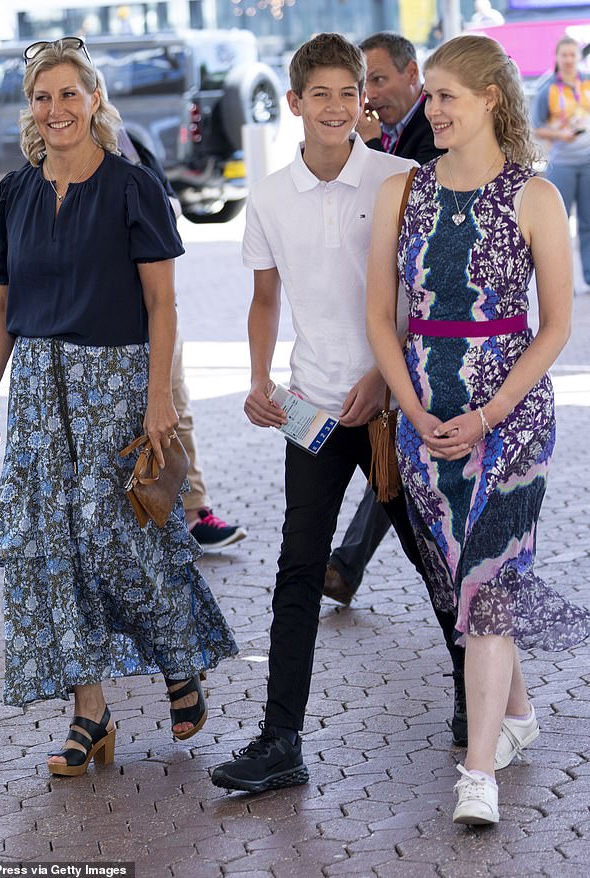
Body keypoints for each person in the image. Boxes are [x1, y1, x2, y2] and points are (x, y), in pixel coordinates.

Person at [0, 37, 238, 778]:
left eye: (68, 94)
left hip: (114, 385)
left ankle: (179, 661)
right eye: (41, 96)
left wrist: (160, 401)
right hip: (37, 391)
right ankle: (91, 711)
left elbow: (162, 301)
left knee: (121, 540)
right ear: (31, 109)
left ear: (94, 100)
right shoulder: (14, 193)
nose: (54, 109)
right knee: (49, 550)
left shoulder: (132, 186)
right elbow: (0, 307)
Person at [211, 32, 462, 795]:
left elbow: (424, 296)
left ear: (364, 101)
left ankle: (478, 694)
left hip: (390, 407)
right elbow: (264, 298)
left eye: (347, 93)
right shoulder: (271, 195)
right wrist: (259, 379)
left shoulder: (400, 178)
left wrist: (384, 382)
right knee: (298, 567)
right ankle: (280, 740)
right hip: (310, 410)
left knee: (432, 558)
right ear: (293, 103)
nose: (334, 107)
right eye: (318, 94)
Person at [366, 34, 590, 825]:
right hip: (426, 417)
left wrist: (489, 413)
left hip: (513, 421)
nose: (431, 109)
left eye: (445, 96)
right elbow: (379, 319)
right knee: (470, 583)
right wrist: (412, 411)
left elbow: (556, 327)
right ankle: (519, 719)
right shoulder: (404, 192)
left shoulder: (536, 196)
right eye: (427, 95)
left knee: (489, 582)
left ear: (490, 97)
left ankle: (478, 774)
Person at [326, 32, 445, 608]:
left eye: (376, 79)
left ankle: (457, 607)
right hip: (387, 329)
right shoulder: (392, 132)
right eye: (362, 84)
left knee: (403, 454)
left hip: (438, 333)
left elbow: (425, 211)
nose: (369, 95)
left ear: (411, 74)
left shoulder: (430, 133)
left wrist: (376, 156)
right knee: (396, 456)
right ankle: (348, 565)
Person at [118, 129, 248, 550]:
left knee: (175, 405)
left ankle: (195, 512)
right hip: (107, 314)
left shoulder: (129, 138)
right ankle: (158, 521)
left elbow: (169, 203)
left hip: (155, 303)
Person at [532, 36, 590, 294]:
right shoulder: (548, 89)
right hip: (562, 163)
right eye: (564, 55)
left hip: (588, 161)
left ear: (579, 57)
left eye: (572, 54)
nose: (568, 59)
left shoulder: (587, 83)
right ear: (557, 58)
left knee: (588, 223)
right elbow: (537, 127)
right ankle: (560, 282)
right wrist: (560, 135)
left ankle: (588, 278)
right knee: (558, 225)